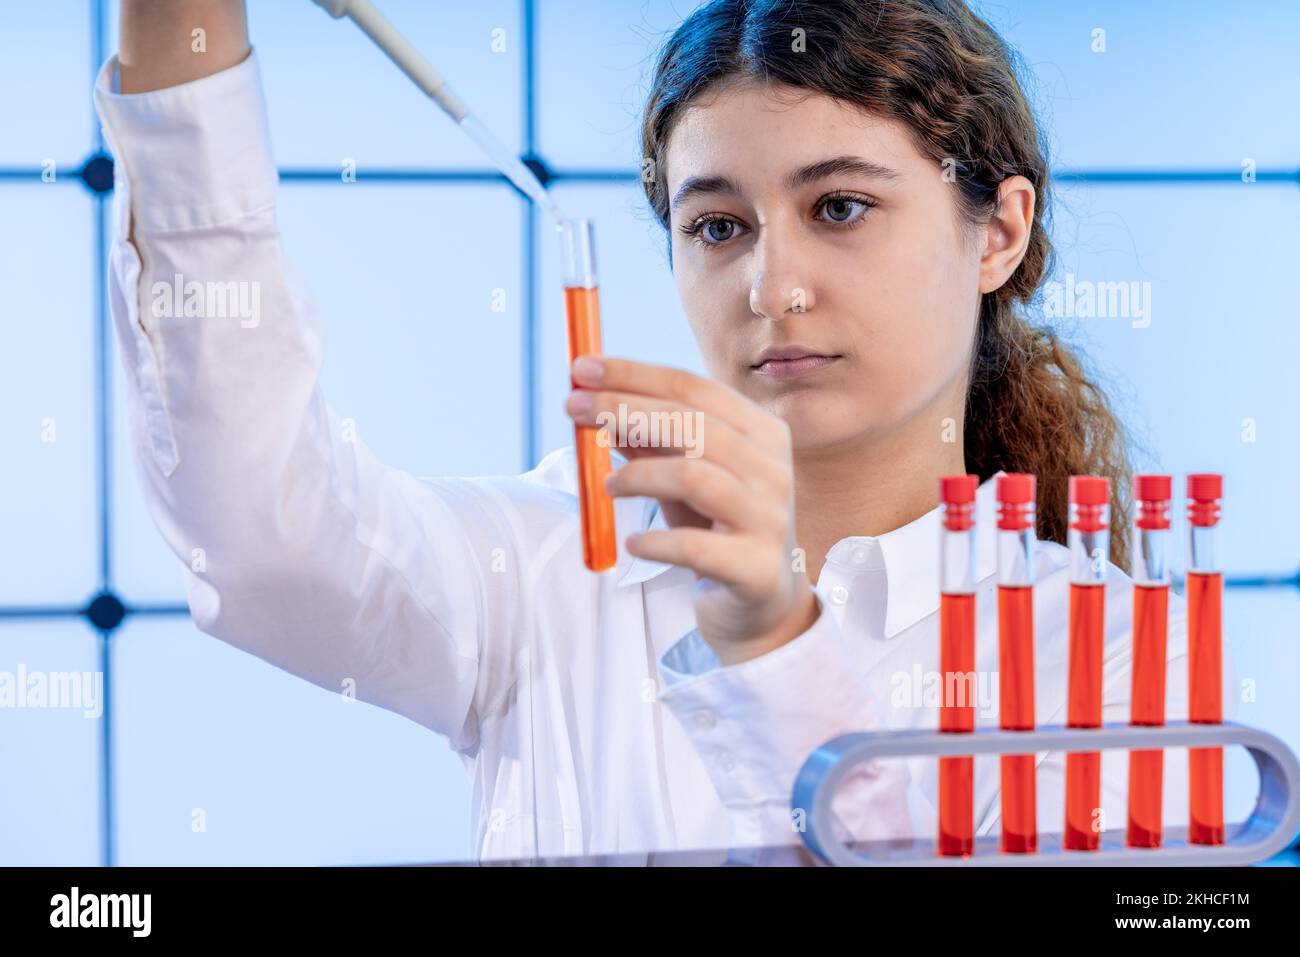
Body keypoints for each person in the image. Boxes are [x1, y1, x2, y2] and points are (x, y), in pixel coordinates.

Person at [96, 0, 1218, 861]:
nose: (770, 287)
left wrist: (773, 644)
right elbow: (254, 532)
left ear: (998, 234)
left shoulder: (1106, 643)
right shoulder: (554, 561)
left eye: (839, 207)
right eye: (717, 224)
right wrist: (177, 38)